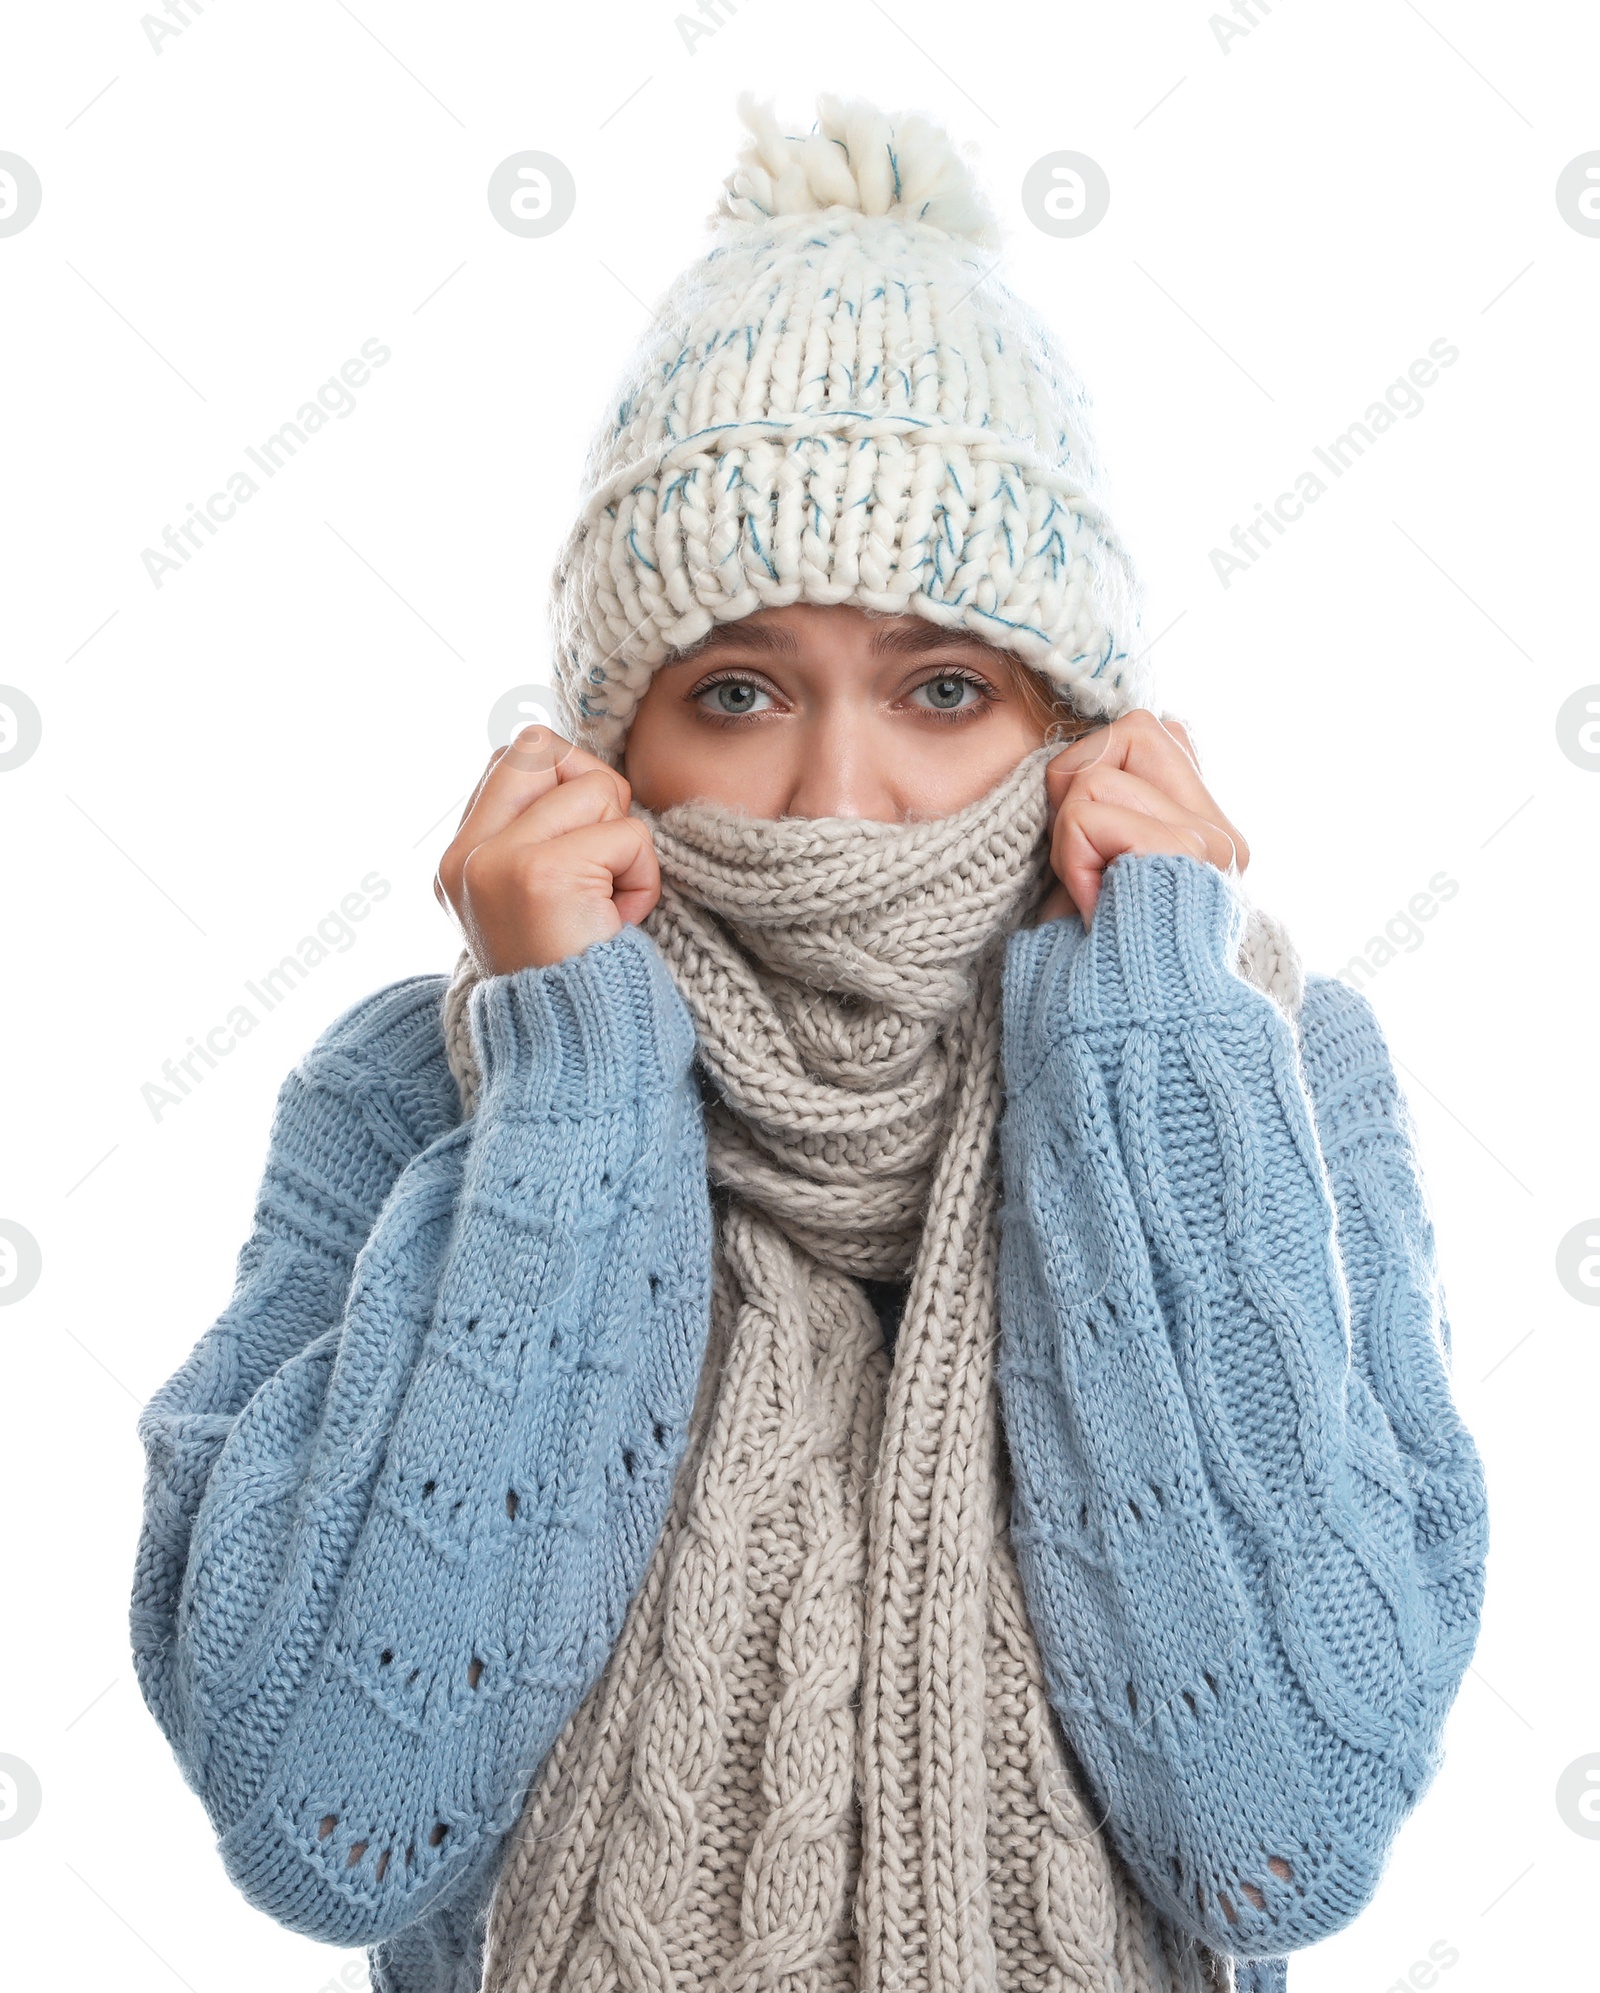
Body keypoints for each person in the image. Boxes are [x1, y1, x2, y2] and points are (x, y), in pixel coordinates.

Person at [130, 94, 1488, 1993]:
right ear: (611, 749)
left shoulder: (1255, 1070)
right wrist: (574, 1085)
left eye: (944, 688)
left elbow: (1278, 1827)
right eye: (740, 689)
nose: (838, 797)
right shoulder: (419, 1090)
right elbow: (332, 1809)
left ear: (1078, 730)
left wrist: (1149, 1049)